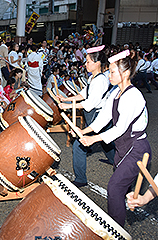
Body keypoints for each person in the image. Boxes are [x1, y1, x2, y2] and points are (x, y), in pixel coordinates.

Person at [79, 49, 151, 227]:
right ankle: (119, 219)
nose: (108, 75)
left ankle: (116, 231)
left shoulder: (133, 96)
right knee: (121, 188)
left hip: (137, 149)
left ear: (125, 73)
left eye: (112, 72)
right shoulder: (115, 93)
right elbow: (103, 118)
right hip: (124, 148)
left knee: (115, 187)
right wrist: (85, 131)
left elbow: (119, 129)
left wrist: (93, 139)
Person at [58, 45, 115, 187]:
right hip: (94, 115)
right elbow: (83, 94)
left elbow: (89, 103)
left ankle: (81, 179)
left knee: (79, 145)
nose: (86, 64)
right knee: (105, 140)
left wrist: (67, 107)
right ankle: (114, 159)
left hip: (98, 115)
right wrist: (66, 99)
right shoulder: (93, 78)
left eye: (88, 61)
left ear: (97, 63)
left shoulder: (101, 80)